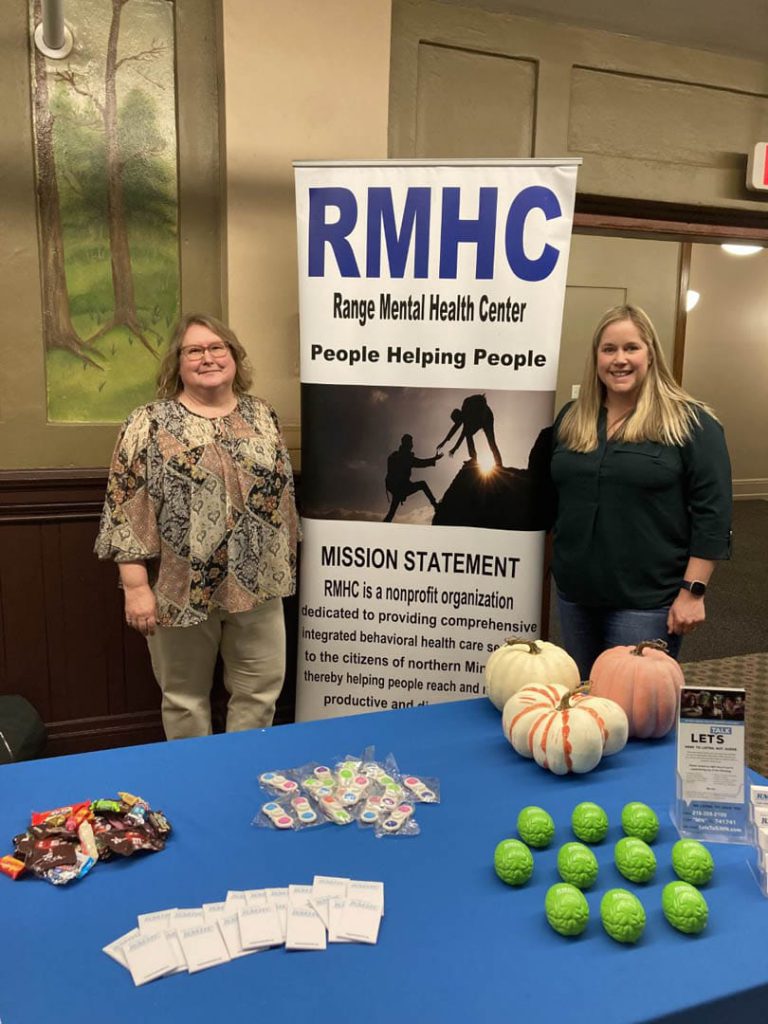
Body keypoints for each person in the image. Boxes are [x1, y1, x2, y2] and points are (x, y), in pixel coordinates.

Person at [95, 313, 299, 739]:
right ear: (178, 363)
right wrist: (135, 587)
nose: (207, 357)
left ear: (234, 357)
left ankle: (243, 773)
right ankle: (196, 783)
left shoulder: (264, 416)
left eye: (216, 348)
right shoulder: (148, 422)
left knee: (260, 693)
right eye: (195, 350)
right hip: (180, 586)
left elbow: (282, 498)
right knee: (185, 698)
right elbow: (125, 502)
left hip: (258, 583)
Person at [550, 304, 732, 680]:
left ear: (651, 353)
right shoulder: (572, 418)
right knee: (585, 701)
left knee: (634, 714)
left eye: (631, 348)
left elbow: (713, 513)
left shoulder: (691, 422)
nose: (620, 359)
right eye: (609, 349)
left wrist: (693, 592)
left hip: (646, 602)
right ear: (596, 357)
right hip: (576, 595)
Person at [383, 433, 442, 522]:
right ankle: (435, 505)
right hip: (400, 488)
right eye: (411, 443)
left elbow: (418, 463)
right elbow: (420, 463)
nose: (412, 445)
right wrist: (434, 459)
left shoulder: (396, 455)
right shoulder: (405, 457)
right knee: (422, 484)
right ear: (407, 444)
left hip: (396, 488)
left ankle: (384, 527)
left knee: (391, 513)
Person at [436, 393, 503, 467]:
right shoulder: (464, 418)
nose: (459, 424)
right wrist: (445, 442)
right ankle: (476, 459)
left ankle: (497, 463)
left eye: (458, 422)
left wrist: (453, 447)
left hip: (486, 415)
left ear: (458, 415)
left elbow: (461, 433)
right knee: (470, 434)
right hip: (482, 417)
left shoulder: (466, 407)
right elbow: (456, 430)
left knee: (491, 443)